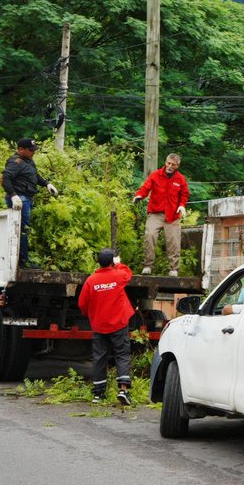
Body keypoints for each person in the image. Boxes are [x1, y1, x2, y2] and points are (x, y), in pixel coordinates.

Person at [78, 249, 135, 405]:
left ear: (98, 262)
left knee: (99, 358)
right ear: (112, 261)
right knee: (122, 354)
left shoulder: (91, 280)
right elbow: (127, 273)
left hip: (99, 325)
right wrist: (118, 263)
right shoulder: (118, 275)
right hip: (118, 323)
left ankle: (98, 394)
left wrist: (90, 315)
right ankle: (123, 390)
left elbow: (82, 303)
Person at [0, 137, 57, 268]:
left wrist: (47, 184)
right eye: (31, 150)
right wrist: (13, 196)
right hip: (20, 198)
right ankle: (22, 261)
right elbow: (5, 178)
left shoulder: (28, 161)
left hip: (27, 198)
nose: (33, 152)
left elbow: (34, 176)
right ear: (21, 150)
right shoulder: (16, 162)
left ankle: (23, 259)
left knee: (24, 229)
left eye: (34, 149)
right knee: (22, 230)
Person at [133, 153, 189, 276]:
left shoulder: (180, 179)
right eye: (168, 163)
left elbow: (184, 194)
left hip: (173, 215)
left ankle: (174, 268)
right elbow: (145, 188)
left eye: (173, 164)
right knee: (150, 235)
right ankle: (147, 265)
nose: (170, 166)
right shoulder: (155, 175)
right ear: (165, 162)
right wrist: (139, 195)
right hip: (155, 213)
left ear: (177, 166)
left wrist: (182, 205)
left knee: (173, 241)